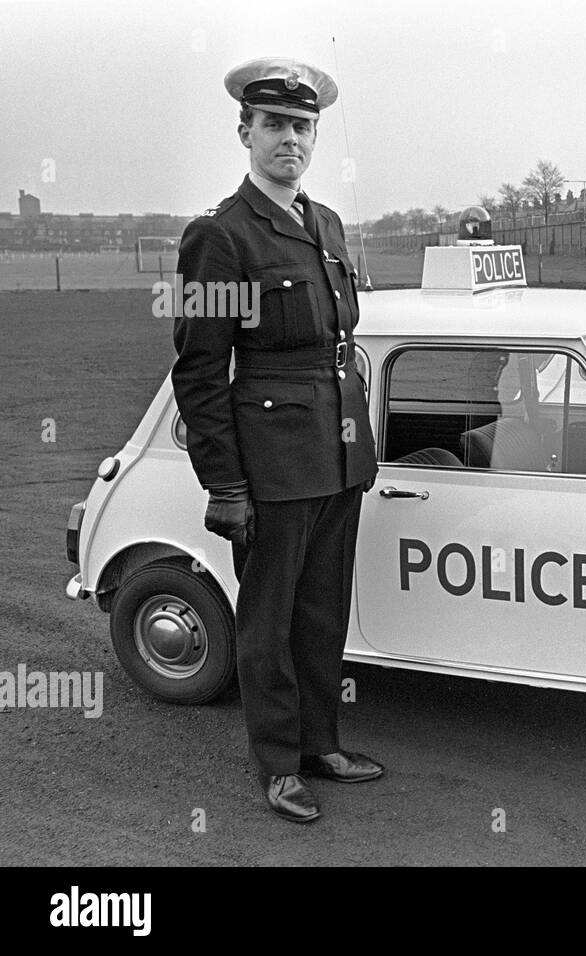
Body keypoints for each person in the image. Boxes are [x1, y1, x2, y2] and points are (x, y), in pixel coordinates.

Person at [170, 57, 382, 824]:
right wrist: (225, 486)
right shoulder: (220, 238)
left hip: (336, 453)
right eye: (274, 126)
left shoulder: (323, 224)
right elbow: (199, 373)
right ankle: (278, 764)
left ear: (314, 136)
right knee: (269, 624)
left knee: (324, 612)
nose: (289, 139)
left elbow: (338, 345)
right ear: (245, 133)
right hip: (270, 464)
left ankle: (321, 743)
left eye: (302, 127)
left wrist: (355, 445)